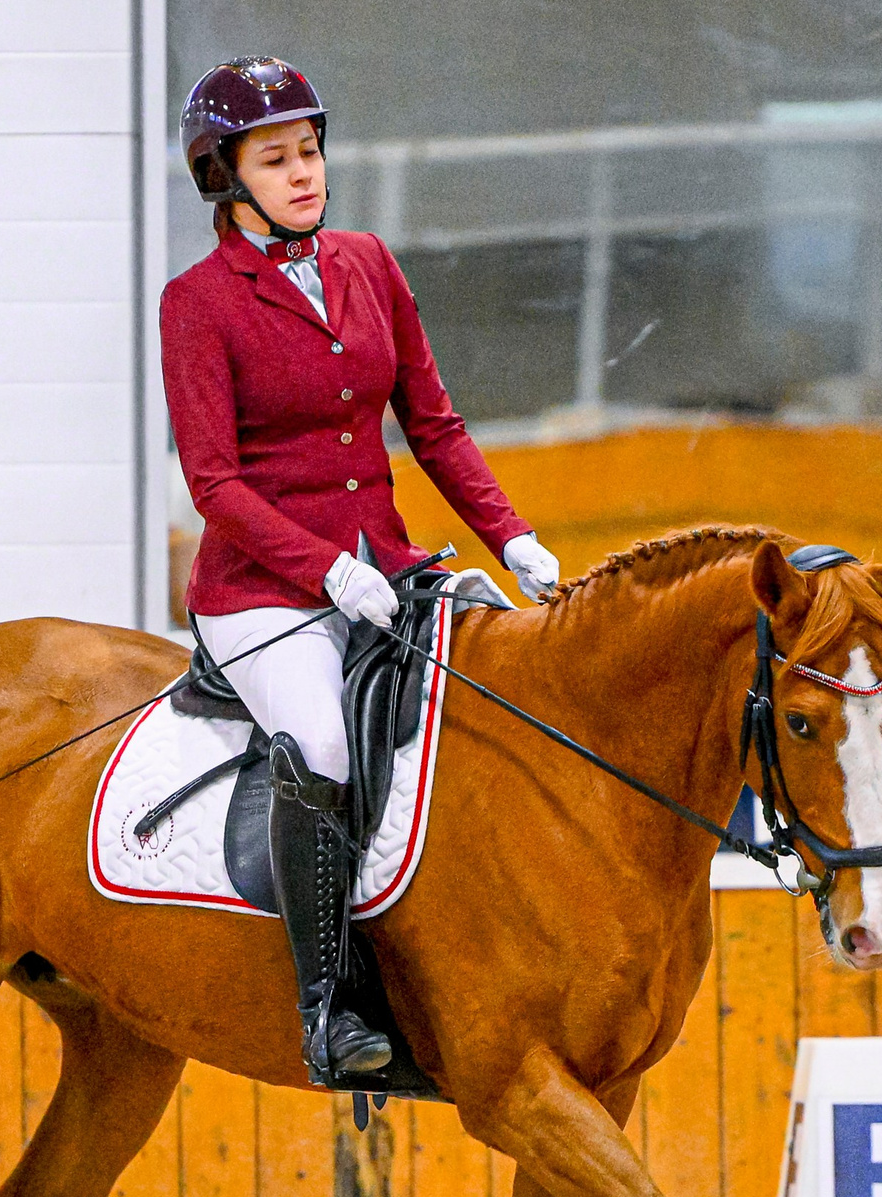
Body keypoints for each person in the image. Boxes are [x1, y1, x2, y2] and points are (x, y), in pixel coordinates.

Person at [162, 55, 562, 1085]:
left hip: (387, 568)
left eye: (309, 152)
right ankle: (326, 1004)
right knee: (324, 744)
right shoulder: (196, 304)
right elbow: (214, 484)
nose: (303, 174)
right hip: (262, 593)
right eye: (275, 158)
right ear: (226, 174)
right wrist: (323, 574)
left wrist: (510, 537)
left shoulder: (367, 263)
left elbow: (431, 423)